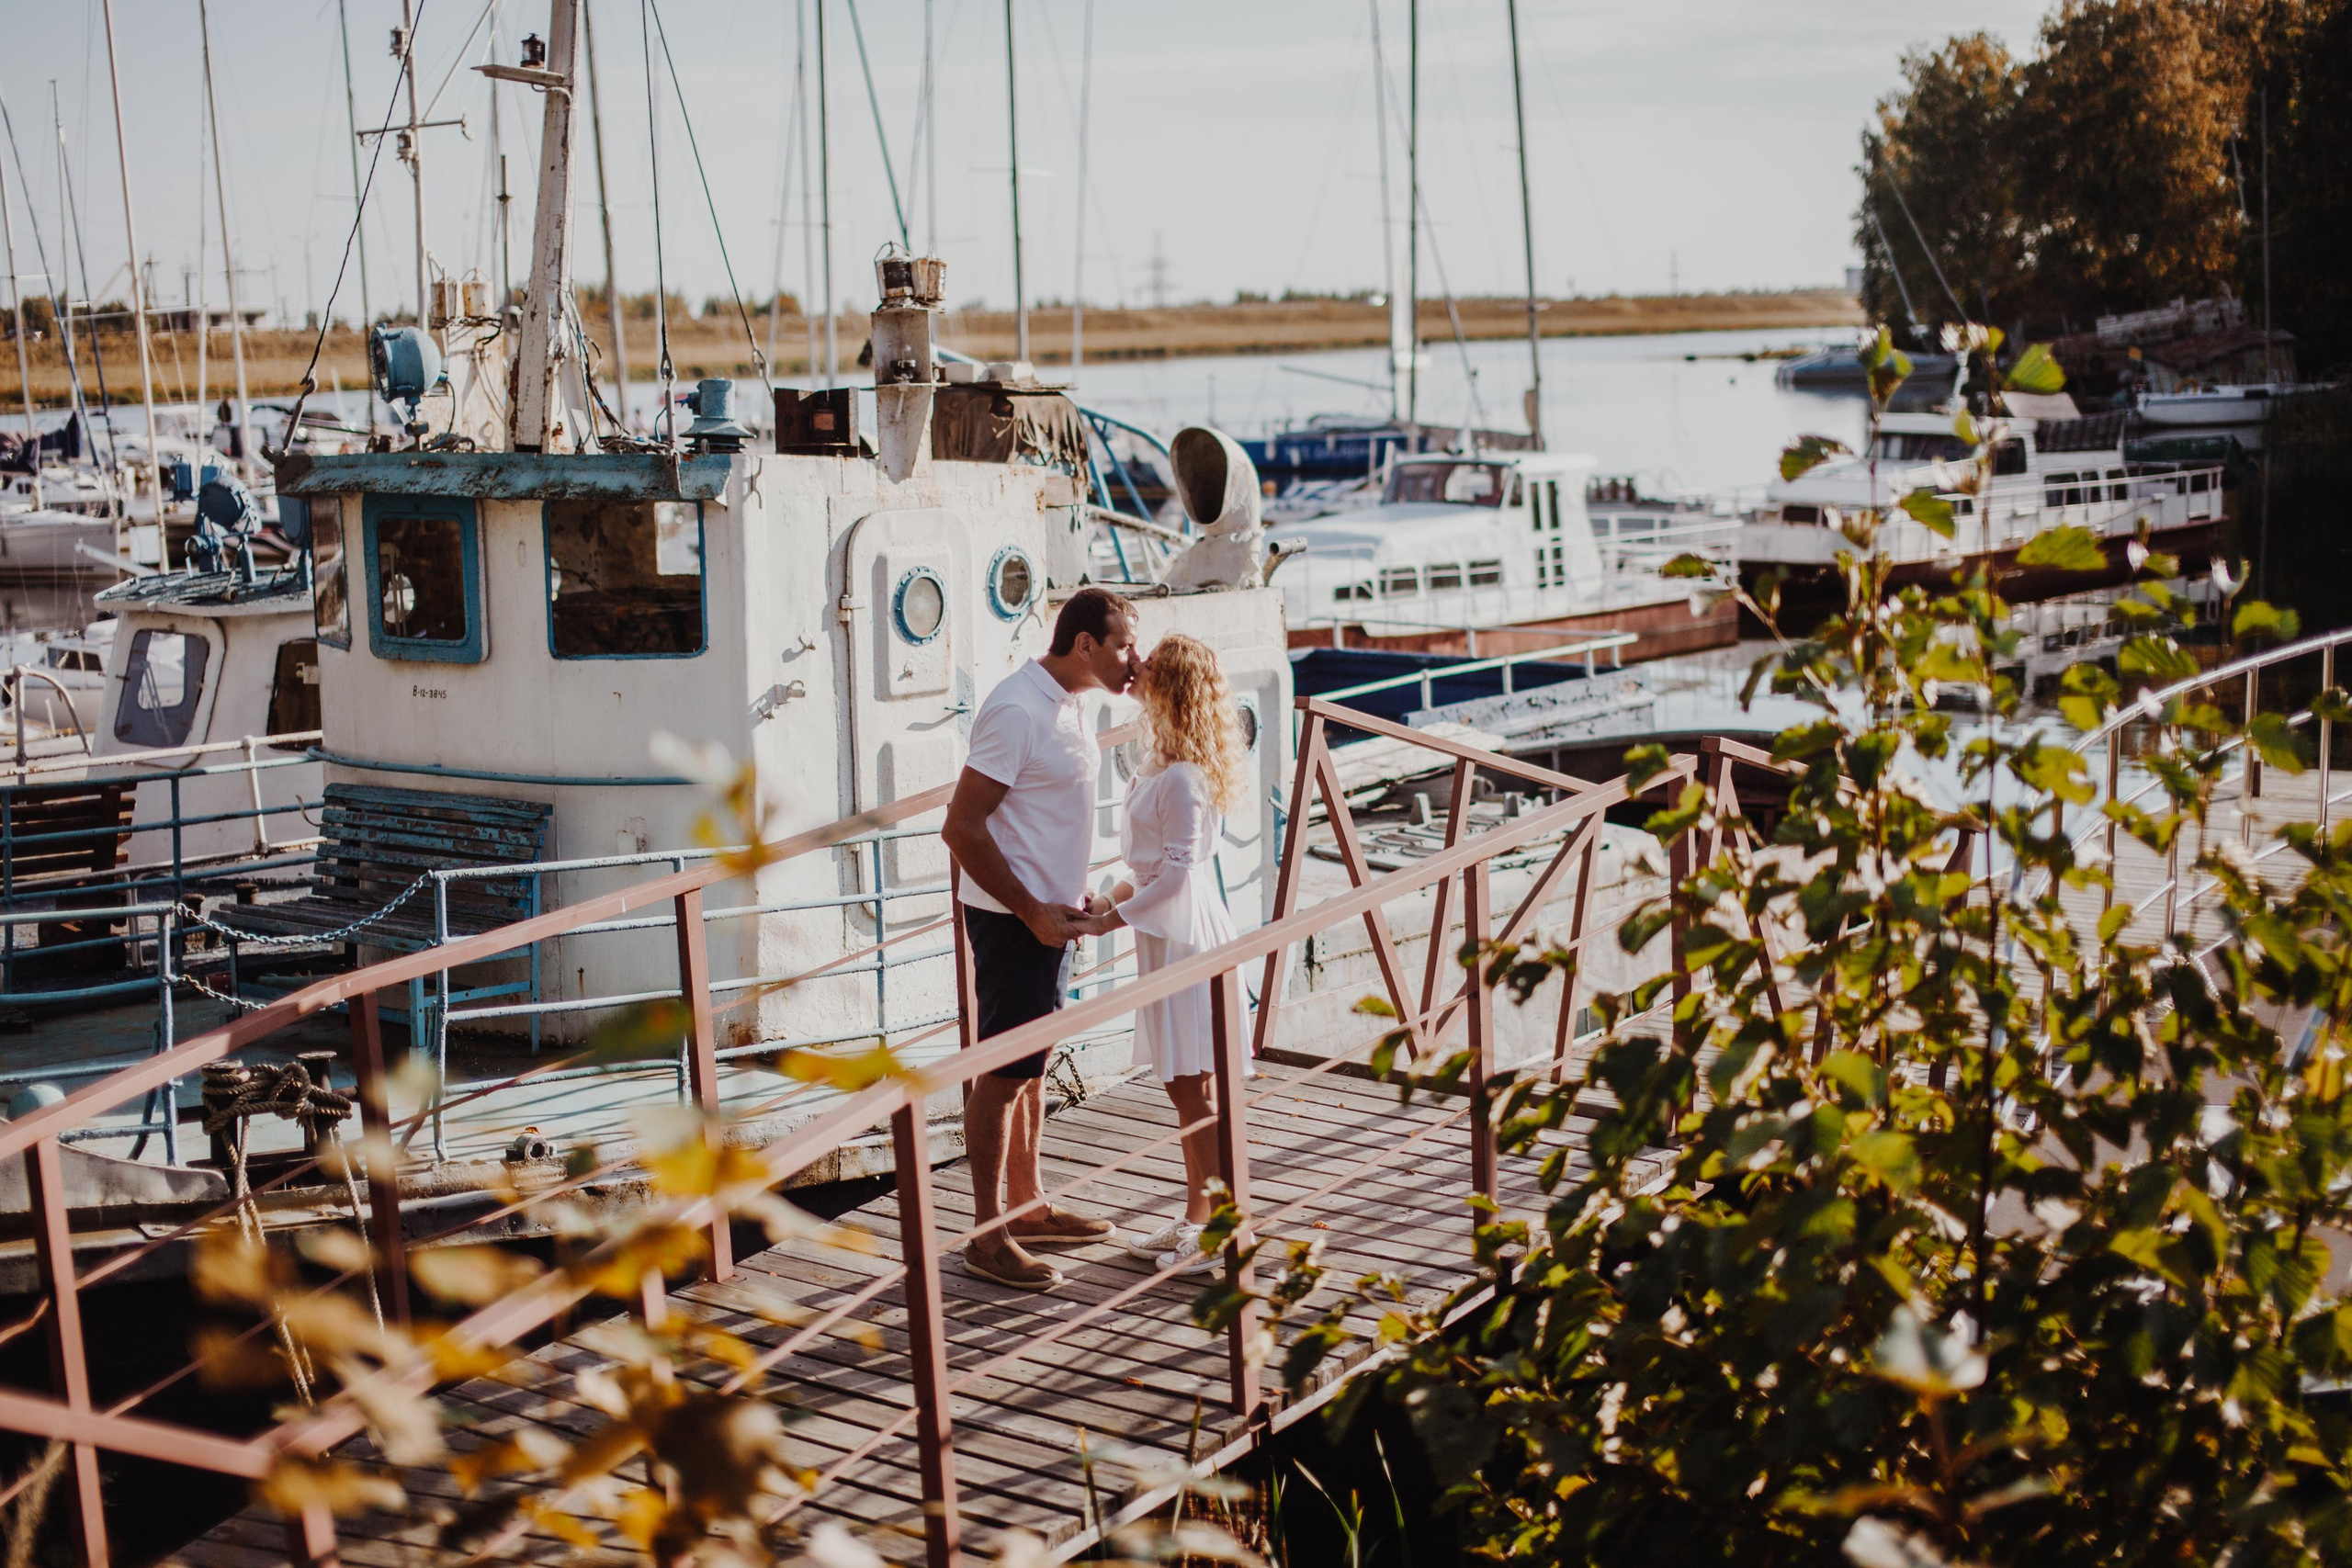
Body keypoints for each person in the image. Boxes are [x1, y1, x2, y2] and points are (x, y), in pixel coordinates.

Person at [940, 587, 1137, 1291]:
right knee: (1002, 1072)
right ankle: (987, 1236)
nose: (1134, 658)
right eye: (1123, 645)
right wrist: (1030, 912)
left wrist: (1063, 902)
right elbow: (961, 827)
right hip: (1014, 919)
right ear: (1084, 644)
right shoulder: (1018, 708)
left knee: (1032, 1063)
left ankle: (1027, 1206)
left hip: (1052, 916)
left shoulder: (1070, 703)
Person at [1074, 633, 1249, 1277]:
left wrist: (1107, 922)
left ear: (1172, 687)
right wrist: (1108, 899)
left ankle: (1225, 1228)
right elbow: (1148, 870)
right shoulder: (1160, 764)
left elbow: (1176, 878)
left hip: (1187, 937)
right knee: (1182, 1086)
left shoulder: (1182, 778)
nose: (1136, 668)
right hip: (1164, 933)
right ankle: (1199, 1217)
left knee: (1193, 1085)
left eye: (1149, 666)